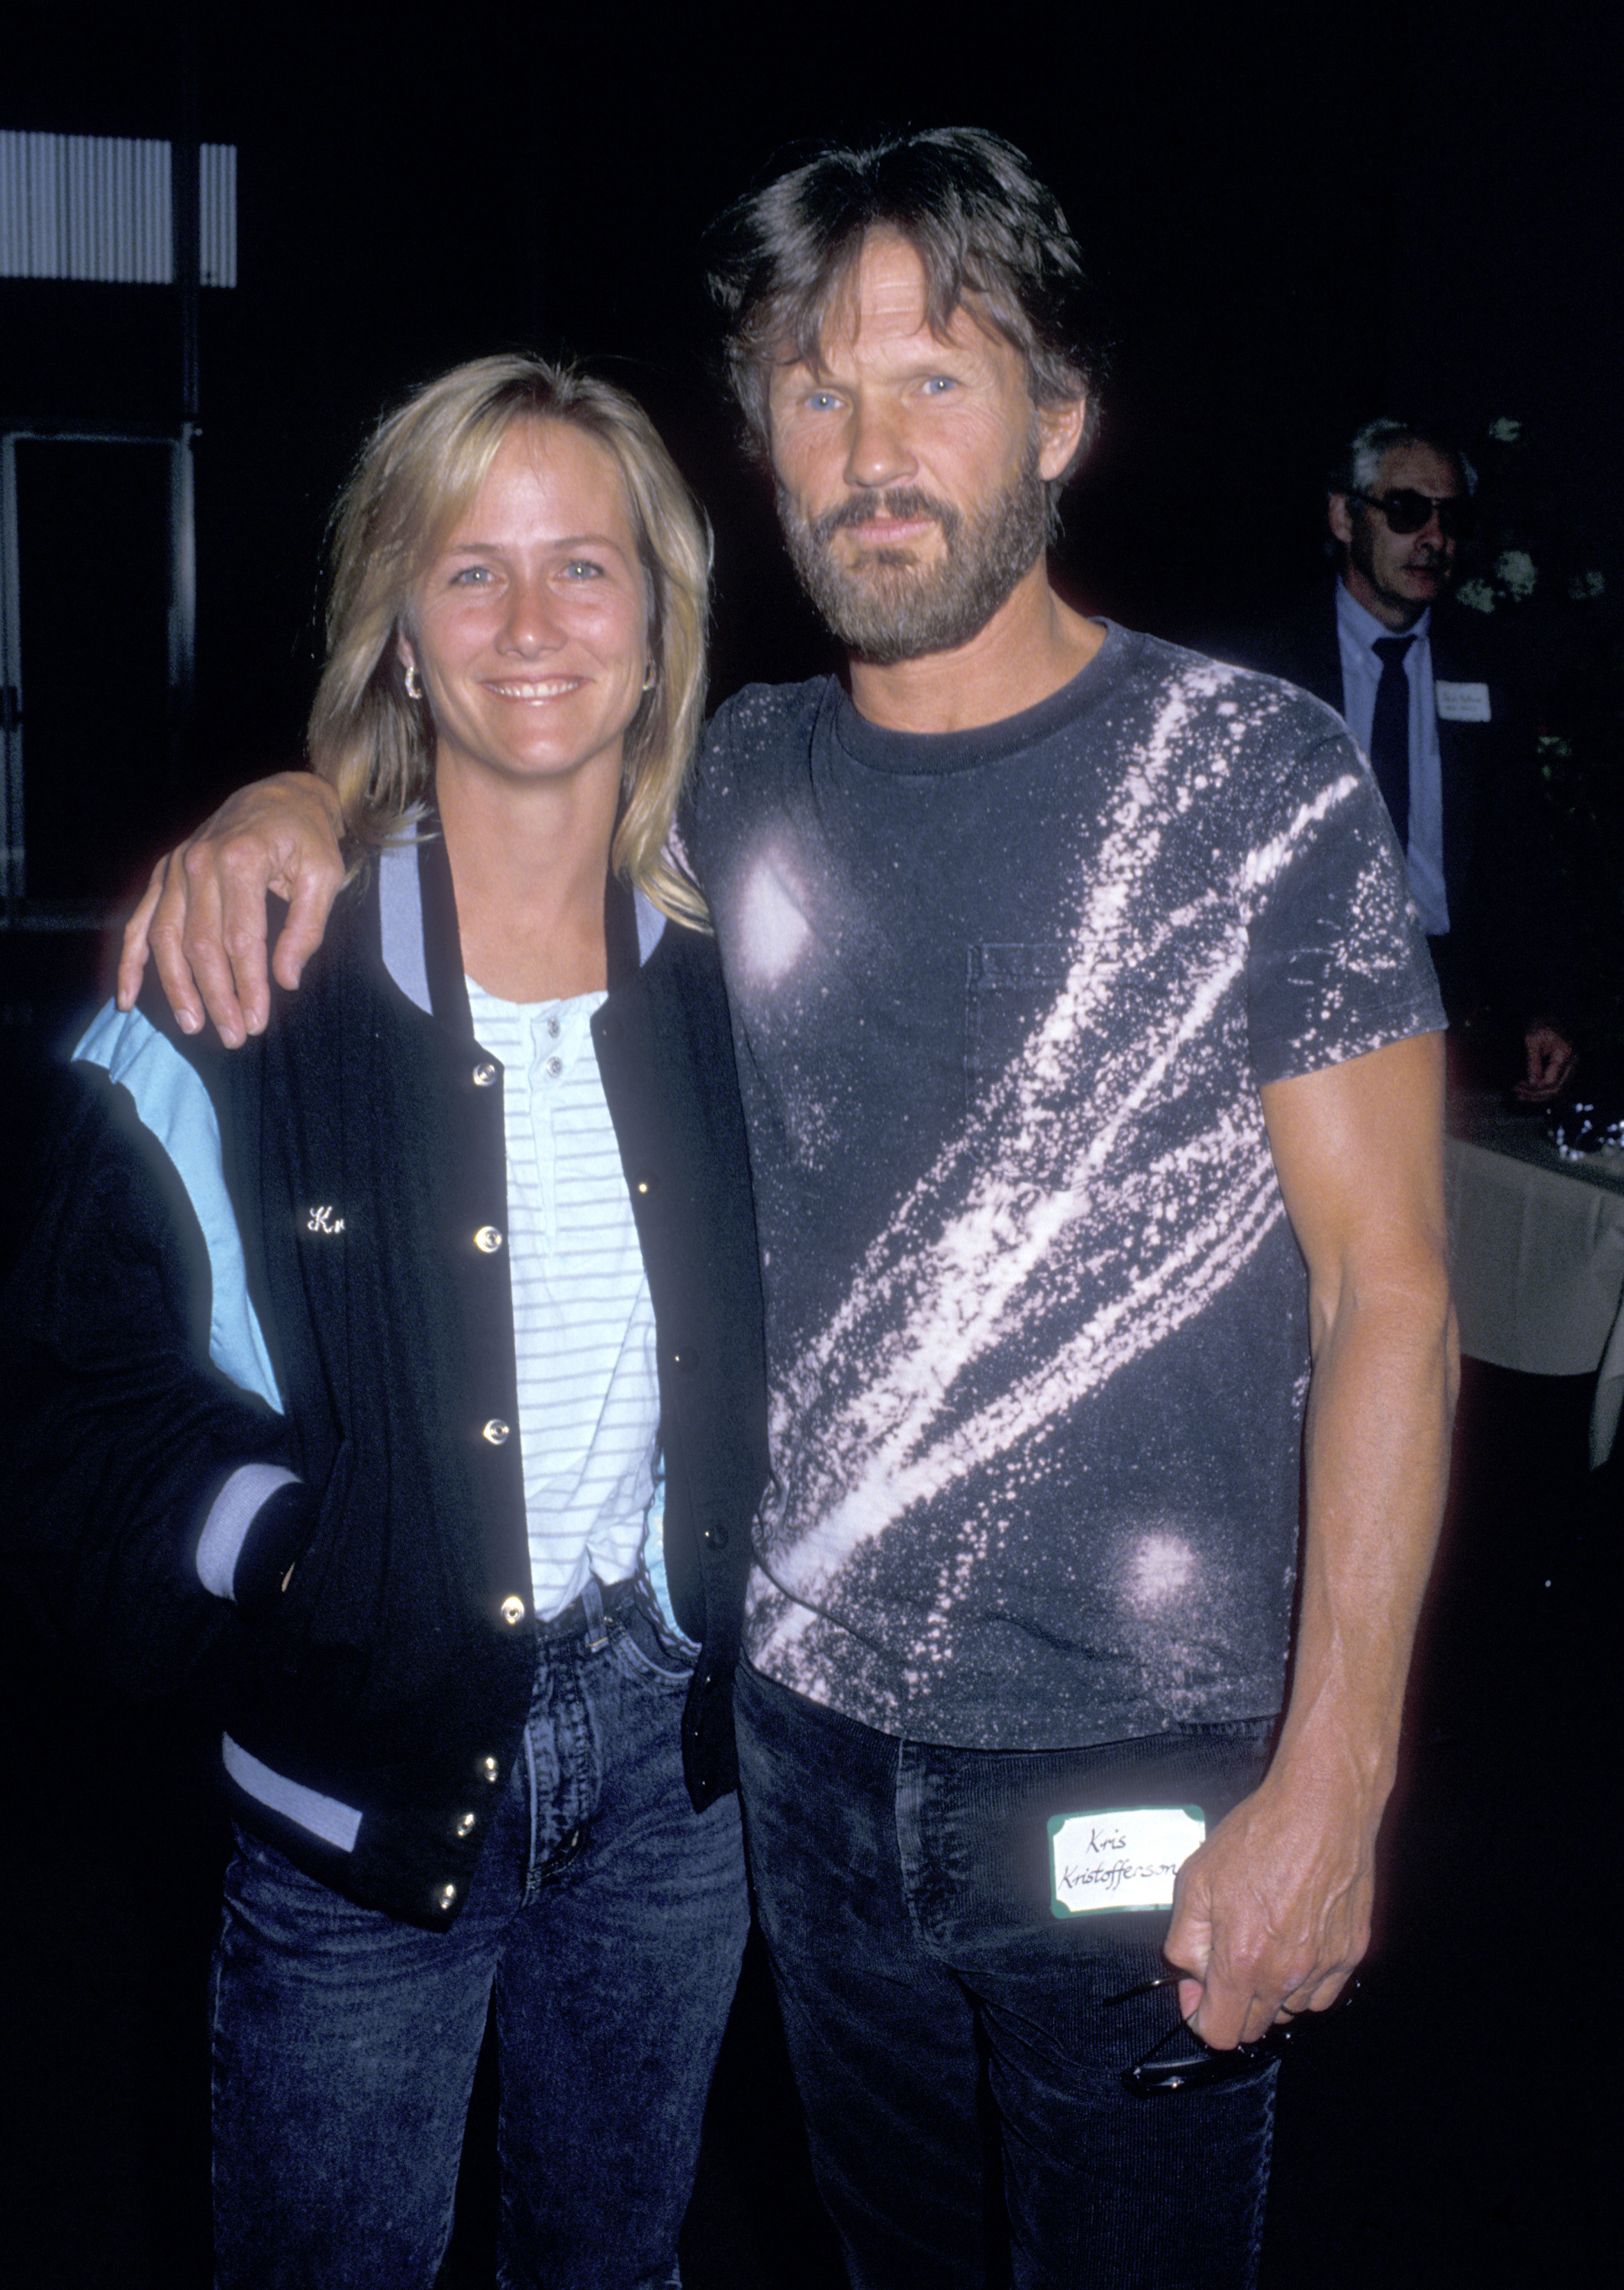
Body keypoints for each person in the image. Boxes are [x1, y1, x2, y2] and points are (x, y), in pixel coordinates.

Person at [118, 131, 1455, 2290]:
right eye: (814, 387)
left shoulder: (1255, 776)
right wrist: (292, 795)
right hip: (792, 1771)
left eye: (938, 378)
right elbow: (504, 746)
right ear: (759, 440)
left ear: (1060, 415)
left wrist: (1336, 1784)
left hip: (1142, 1780)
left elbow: (1393, 1295)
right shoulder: (735, 784)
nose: (870, 446)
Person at [3, 356, 767, 2290]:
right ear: (400, 637)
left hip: (682, 1797)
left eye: (585, 569)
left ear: (661, 627)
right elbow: (69, 1403)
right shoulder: (238, 986)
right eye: (470, 571)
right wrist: (301, 1546)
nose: (530, 625)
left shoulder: (750, 992)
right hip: (355, 1797)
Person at [1231, 418, 1577, 1101]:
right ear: (1343, 514)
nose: (1434, 539)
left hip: (1450, 1008)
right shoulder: (1270, 669)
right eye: (1407, 511)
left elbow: (1517, 855)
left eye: (1450, 516)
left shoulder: (1485, 666)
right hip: (1303, 1005)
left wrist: (1541, 1007)